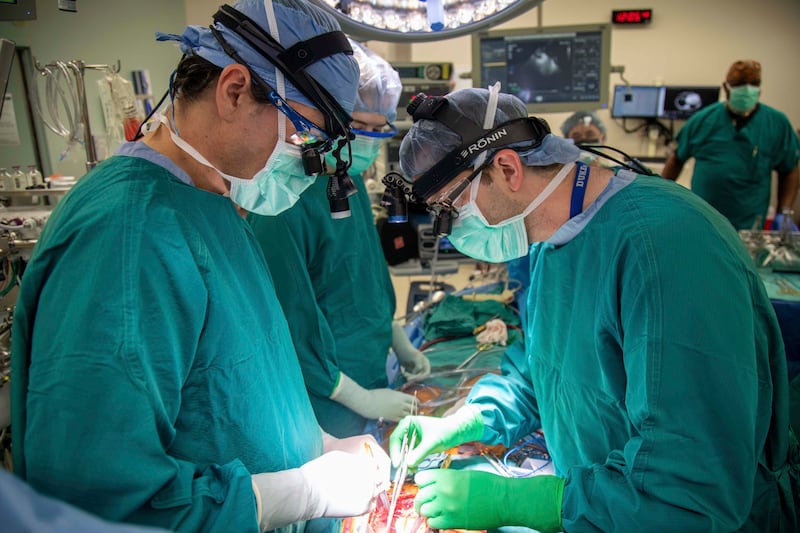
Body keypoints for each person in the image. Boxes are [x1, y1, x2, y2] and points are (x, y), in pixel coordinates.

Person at [10, 1, 390, 532]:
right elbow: (96, 496)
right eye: (307, 137)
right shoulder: (127, 235)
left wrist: (320, 445)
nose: (313, 162)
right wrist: (296, 494)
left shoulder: (213, 205)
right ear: (234, 90)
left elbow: (237, 387)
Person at [388, 87, 800, 532]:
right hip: (608, 512)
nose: (452, 230)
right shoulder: (555, 240)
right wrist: (473, 418)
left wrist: (526, 502)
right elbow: (546, 370)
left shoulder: (667, 251)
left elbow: (691, 490)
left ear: (506, 167)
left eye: (452, 207)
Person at [248, 39, 430, 439]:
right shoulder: (282, 203)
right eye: (357, 126)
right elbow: (291, 326)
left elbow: (365, 276)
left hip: (367, 371)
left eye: (377, 128)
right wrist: (360, 399)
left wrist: (396, 338)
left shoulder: (347, 182)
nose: (366, 139)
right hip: (324, 401)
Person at [662, 60, 800, 231]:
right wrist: (660, 198)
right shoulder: (703, 120)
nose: (747, 90)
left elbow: (790, 168)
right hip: (703, 220)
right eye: (740, 84)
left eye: (754, 84)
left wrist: (784, 212)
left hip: (749, 225)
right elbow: (676, 159)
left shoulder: (776, 123)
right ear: (726, 87)